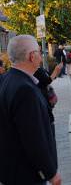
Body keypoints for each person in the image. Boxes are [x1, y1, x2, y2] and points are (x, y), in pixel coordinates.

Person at [0, 35, 61, 185]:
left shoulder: (8, 79)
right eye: (39, 53)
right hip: (26, 174)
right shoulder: (24, 89)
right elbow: (33, 138)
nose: (41, 57)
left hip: (13, 170)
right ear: (31, 56)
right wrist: (51, 173)